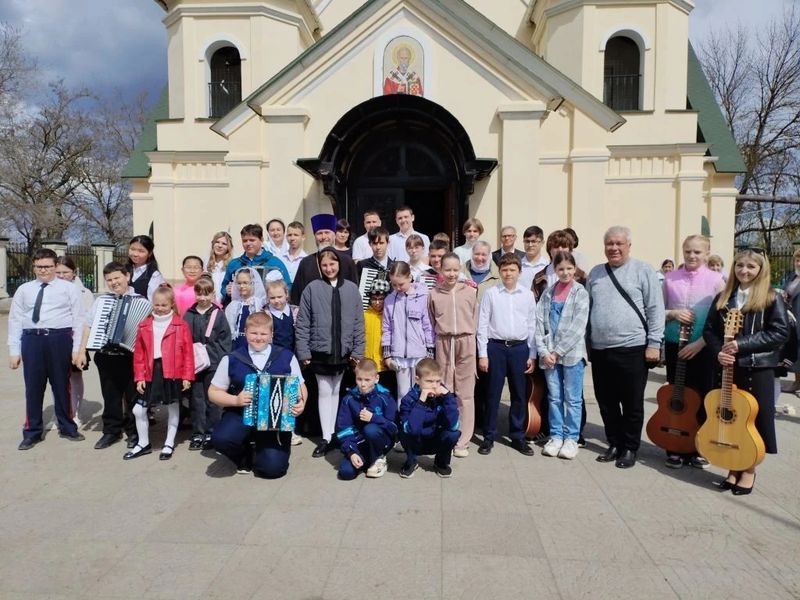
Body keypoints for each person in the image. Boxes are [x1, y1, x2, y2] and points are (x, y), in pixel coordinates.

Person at [704, 248, 789, 495]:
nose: (744, 270)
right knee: (729, 419)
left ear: (761, 270)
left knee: (754, 421)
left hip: (757, 368)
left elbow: (780, 332)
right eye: (740, 265)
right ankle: (733, 466)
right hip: (728, 367)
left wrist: (742, 344)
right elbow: (709, 330)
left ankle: (748, 469)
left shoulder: (771, 298)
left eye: (751, 267)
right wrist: (718, 350)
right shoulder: (723, 297)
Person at [587, 225, 665, 469]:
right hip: (600, 349)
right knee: (606, 401)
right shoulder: (596, 273)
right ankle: (614, 442)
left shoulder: (643, 270)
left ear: (628, 246)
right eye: (610, 243)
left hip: (632, 348)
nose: (614, 248)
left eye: (619, 243)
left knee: (631, 402)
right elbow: (588, 309)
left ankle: (630, 448)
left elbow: (655, 309)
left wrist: (654, 343)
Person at [209, 312, 307, 478]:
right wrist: (235, 399)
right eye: (254, 333)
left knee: (272, 471)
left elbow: (301, 386)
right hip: (241, 414)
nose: (258, 338)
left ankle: (264, 449)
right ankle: (243, 454)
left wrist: (301, 403)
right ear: (245, 332)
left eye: (263, 334)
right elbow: (213, 392)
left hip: (275, 420)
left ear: (271, 335)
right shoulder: (232, 359)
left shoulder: (286, 357)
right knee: (221, 439)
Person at [9, 249, 86, 450]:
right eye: (39, 266)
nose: (44, 270)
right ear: (33, 266)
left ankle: (67, 426)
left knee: (62, 385)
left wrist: (77, 350)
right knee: (33, 388)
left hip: (59, 339)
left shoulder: (68, 289)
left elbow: (78, 319)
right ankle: (32, 431)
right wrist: (14, 351)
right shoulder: (24, 289)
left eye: (48, 266)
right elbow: (15, 320)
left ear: (55, 266)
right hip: (32, 340)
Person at [661, 235, 725, 468]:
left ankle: (699, 446)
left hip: (703, 348)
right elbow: (659, 309)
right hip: (674, 345)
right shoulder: (670, 278)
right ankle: (676, 444)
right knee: (677, 396)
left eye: (697, 252)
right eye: (688, 251)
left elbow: (722, 320)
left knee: (703, 397)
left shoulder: (717, 281)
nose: (692, 255)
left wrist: (700, 344)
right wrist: (673, 314)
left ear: (706, 253)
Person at [295, 248, 365, 458]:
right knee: (325, 392)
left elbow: (358, 323)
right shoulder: (312, 288)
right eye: (324, 265)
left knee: (337, 392)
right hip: (320, 351)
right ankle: (326, 436)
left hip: (342, 351)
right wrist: (304, 351)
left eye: (332, 264)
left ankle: (335, 432)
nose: (329, 268)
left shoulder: (351, 289)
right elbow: (303, 323)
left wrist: (357, 351)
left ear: (339, 264)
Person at [82, 262, 151, 450]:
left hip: (130, 357)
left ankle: (134, 431)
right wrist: (82, 350)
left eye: (117, 278)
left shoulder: (143, 302)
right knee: (110, 395)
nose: (113, 283)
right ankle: (111, 431)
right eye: (109, 280)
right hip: (105, 354)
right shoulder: (101, 301)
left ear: (127, 276)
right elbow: (88, 325)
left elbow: (147, 332)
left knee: (132, 395)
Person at [476, 253, 537, 456]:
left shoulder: (527, 295)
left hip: (520, 349)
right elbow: (482, 324)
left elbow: (532, 325)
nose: (508, 273)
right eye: (504, 270)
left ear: (519, 272)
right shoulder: (491, 294)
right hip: (496, 348)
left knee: (519, 394)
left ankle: (517, 436)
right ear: (499, 272)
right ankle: (489, 435)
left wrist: (532, 354)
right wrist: (483, 354)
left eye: (512, 269)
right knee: (492, 394)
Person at [128, 285, 194, 460]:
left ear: (172, 304)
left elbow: (188, 353)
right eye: (156, 304)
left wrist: (187, 376)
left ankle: (169, 442)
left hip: (173, 370)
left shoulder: (181, 325)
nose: (160, 308)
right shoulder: (144, 325)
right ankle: (143, 443)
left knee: (172, 406)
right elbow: (139, 354)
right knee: (138, 410)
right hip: (151, 370)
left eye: (164, 305)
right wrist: (139, 376)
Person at [535, 251, 589, 460]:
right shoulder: (548, 293)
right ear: (555, 271)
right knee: (554, 397)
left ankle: (571, 438)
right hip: (549, 356)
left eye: (569, 268)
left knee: (573, 399)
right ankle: (556, 436)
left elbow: (578, 326)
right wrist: (544, 351)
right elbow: (538, 323)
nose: (565, 273)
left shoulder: (580, 293)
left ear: (574, 269)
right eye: (560, 269)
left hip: (571, 355)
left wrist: (558, 352)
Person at [429, 252, 478, 458]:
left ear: (460, 270)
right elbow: (432, 321)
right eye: (447, 269)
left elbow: (475, 317)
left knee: (465, 393)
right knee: (445, 390)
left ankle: (463, 441)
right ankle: (447, 434)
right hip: (443, 342)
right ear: (440, 270)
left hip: (465, 342)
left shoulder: (470, 291)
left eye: (455, 270)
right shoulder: (434, 294)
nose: (451, 274)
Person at [183, 275, 231, 451]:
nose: (202, 298)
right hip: (195, 365)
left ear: (213, 294)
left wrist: (221, 361)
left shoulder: (218, 314)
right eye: (199, 294)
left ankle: (212, 432)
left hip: (214, 364)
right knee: (196, 400)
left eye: (206, 294)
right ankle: (198, 433)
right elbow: (183, 340)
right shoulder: (189, 314)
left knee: (213, 400)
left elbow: (226, 341)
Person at [335, 359, 398, 480]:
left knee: (371, 429)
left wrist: (374, 418)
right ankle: (366, 460)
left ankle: (379, 457)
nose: (362, 384)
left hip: (381, 440)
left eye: (367, 380)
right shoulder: (348, 399)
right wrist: (351, 452)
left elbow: (394, 428)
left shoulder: (385, 397)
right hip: (358, 443)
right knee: (346, 473)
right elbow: (344, 429)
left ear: (376, 378)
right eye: (359, 379)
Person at [398, 358, 460, 478]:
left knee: (454, 433)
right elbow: (411, 429)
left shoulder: (444, 397)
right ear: (418, 380)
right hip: (417, 441)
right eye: (429, 381)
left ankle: (441, 462)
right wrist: (421, 402)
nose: (435, 386)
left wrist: (447, 398)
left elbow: (453, 425)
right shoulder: (408, 399)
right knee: (404, 431)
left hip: (435, 439)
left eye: (437, 381)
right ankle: (411, 461)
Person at [382, 261, 434, 403]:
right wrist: (387, 355)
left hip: (419, 353)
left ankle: (418, 423)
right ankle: (403, 423)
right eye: (394, 285)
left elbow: (428, 325)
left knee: (420, 390)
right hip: (399, 355)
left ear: (410, 277)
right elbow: (387, 328)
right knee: (403, 392)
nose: (398, 288)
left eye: (401, 284)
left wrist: (430, 351)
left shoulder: (423, 297)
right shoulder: (389, 300)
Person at [53, 256, 94, 428]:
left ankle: (76, 413)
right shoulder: (50, 290)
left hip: (76, 339)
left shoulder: (85, 293)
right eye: (58, 272)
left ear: (74, 272)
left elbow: (87, 319)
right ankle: (62, 414)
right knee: (57, 378)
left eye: (65, 272)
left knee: (75, 376)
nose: (61, 275)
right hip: (56, 339)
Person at [290, 213, 359, 305]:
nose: (323, 237)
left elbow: (354, 295)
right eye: (319, 233)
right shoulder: (306, 263)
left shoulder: (347, 262)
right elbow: (297, 297)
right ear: (314, 236)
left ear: (334, 235)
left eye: (327, 232)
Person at [220, 224, 291, 304]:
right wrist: (227, 291)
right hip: (241, 310)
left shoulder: (275, 263)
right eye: (245, 241)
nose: (248, 243)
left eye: (252, 240)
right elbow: (224, 287)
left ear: (261, 240)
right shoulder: (234, 264)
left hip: (267, 310)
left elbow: (288, 286)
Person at [363, 278, 396, 398]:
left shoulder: (390, 316)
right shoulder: (364, 315)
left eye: (381, 299)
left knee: (385, 395)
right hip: (367, 365)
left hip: (385, 366)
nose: (377, 302)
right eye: (374, 299)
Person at [226, 267, 267, 352]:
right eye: (239, 283)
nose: (242, 286)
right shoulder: (233, 305)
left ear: (253, 283)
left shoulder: (259, 305)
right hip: (236, 345)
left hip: (254, 344)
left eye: (245, 283)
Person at [782, 247, 800, 392]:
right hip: (792, 318)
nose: (799, 263)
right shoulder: (792, 277)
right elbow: (785, 291)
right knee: (796, 350)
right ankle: (797, 382)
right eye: (797, 260)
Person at [128, 234, 164, 302]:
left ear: (149, 253)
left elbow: (153, 302)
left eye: (141, 251)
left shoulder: (154, 275)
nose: (135, 254)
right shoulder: (123, 270)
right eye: (132, 249)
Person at [265, 279, 295, 351]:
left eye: (279, 297)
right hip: (273, 354)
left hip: (292, 353)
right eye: (272, 298)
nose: (276, 301)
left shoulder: (295, 312)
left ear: (286, 294)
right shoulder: (265, 314)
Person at [206, 231, 234, 305]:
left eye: (224, 244)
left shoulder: (232, 266)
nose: (220, 245)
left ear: (228, 247)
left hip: (226, 305)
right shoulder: (206, 265)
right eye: (217, 242)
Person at [519, 226, 548, 291]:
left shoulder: (547, 266)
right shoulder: (517, 266)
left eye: (534, 241)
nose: (530, 245)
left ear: (542, 243)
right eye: (527, 241)